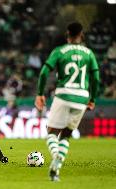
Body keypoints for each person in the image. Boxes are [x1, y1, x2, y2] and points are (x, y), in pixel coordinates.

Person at [34, 22, 100, 181]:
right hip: (82, 97)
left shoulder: (59, 51)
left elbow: (44, 73)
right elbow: (96, 78)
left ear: (67, 34)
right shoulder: (89, 54)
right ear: (82, 35)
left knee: (51, 132)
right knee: (66, 135)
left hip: (64, 94)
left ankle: (56, 156)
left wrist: (39, 94)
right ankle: (57, 168)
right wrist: (93, 99)